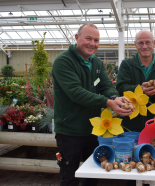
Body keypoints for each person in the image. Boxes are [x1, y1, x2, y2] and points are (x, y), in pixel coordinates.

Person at [52, 23, 132, 186]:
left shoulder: (96, 63)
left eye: (96, 40)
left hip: (94, 130)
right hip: (70, 131)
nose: (92, 43)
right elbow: (76, 92)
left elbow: (105, 86)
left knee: (93, 174)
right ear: (77, 38)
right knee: (69, 176)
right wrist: (108, 102)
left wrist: (116, 98)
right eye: (88, 38)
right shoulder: (63, 61)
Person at [116, 30, 155, 132]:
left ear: (153, 43)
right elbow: (120, 88)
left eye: (148, 42)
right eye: (140, 43)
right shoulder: (126, 65)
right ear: (136, 45)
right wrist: (140, 90)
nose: (145, 46)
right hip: (130, 122)